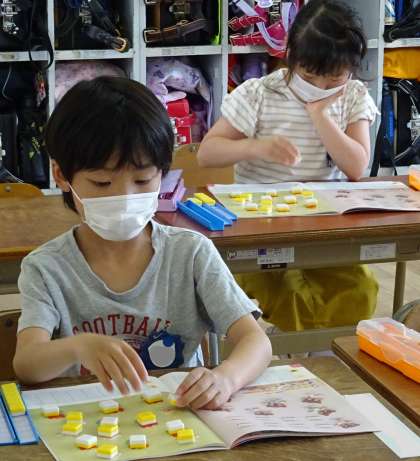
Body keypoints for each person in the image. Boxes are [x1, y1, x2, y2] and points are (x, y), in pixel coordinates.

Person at [13, 77, 272, 410]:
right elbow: (27, 363)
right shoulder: (46, 267)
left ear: (162, 173)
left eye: (142, 180)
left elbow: (256, 341)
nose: (125, 197)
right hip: (91, 422)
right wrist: (77, 347)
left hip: (177, 416)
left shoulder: (190, 253)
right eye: (102, 183)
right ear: (62, 176)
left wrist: (226, 378)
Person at [197, 0, 378, 332]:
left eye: (334, 79)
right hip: (261, 229)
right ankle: (290, 349)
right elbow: (207, 153)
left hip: (324, 228)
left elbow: (356, 167)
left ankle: (321, 349)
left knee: (360, 287)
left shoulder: (353, 96)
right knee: (285, 290)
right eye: (309, 77)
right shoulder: (260, 93)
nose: (320, 88)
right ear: (290, 55)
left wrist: (320, 115)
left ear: (351, 70)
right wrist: (255, 147)